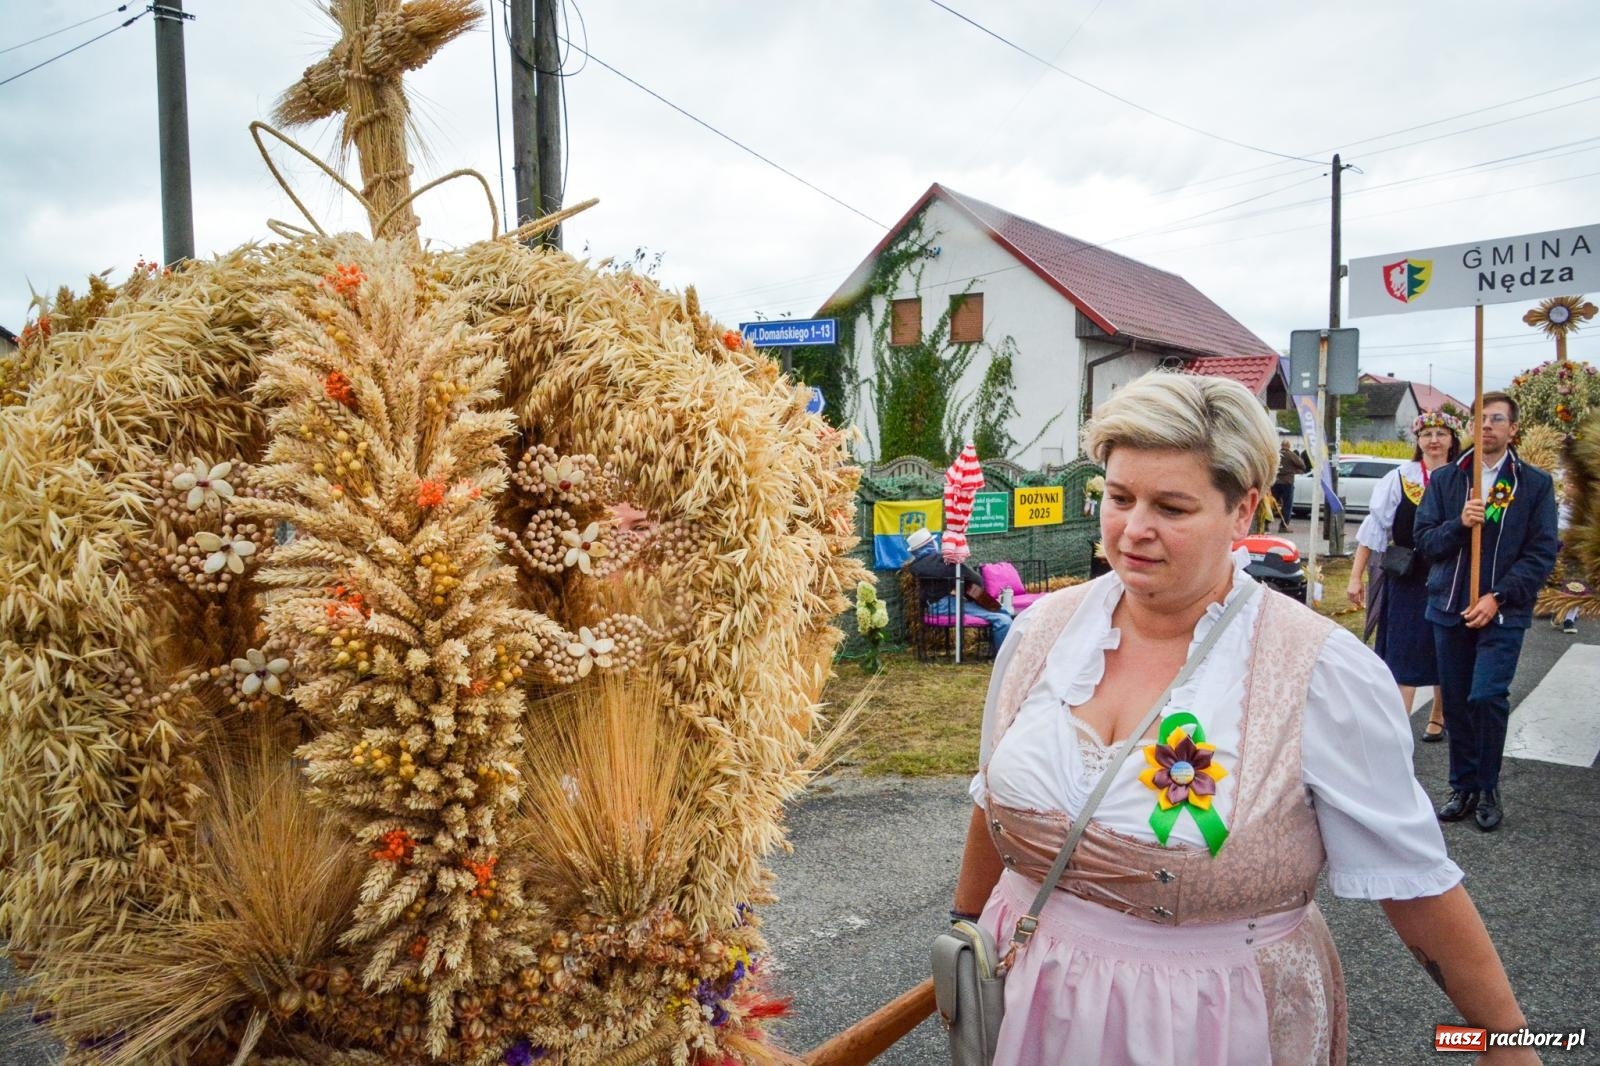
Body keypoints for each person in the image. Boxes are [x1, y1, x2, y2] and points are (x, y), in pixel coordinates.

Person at [951, 372, 1535, 1064]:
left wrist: (1505, 1040)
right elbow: (993, 801)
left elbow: (1413, 880)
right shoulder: (1043, 633)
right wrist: (962, 934)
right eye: (1118, 497)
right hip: (1029, 1002)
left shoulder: (1316, 671)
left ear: (1244, 511)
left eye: (1172, 506)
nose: (1134, 530)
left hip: (1208, 1022)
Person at [1415, 392, 1558, 833]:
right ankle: (1463, 786)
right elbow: (1426, 542)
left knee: (1486, 697)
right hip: (1451, 608)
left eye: (1497, 419)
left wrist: (1497, 595)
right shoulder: (1447, 481)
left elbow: (1540, 553)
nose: (1488, 426)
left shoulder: (1532, 484)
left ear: (1512, 429)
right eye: (1481, 419)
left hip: (1502, 611)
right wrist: (1460, 523)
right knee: (1456, 703)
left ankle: (1488, 785)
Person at [1347, 411, 1464, 742]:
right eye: (1427, 434)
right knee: (1404, 648)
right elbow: (1374, 532)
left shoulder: (1462, 479)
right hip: (1408, 575)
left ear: (1452, 439)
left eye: (1441, 433)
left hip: (1450, 574)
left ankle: (1438, 715)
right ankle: (1399, 730)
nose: (1434, 440)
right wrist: (1356, 577)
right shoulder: (1401, 477)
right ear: (1417, 441)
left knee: (1445, 644)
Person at [903, 527, 1012, 650]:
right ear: (930, 544)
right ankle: (1002, 656)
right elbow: (975, 579)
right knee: (1002, 618)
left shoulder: (915, 567)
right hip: (945, 605)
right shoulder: (944, 561)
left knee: (997, 609)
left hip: (934, 605)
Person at [1273, 438, 1306, 532]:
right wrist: (1294, 469)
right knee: (1287, 505)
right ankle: (1283, 526)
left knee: (1272, 504)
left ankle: (1265, 525)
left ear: (1281, 445)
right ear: (1289, 446)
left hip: (1275, 481)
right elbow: (1302, 465)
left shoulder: (1275, 455)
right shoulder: (1291, 455)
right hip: (1287, 482)